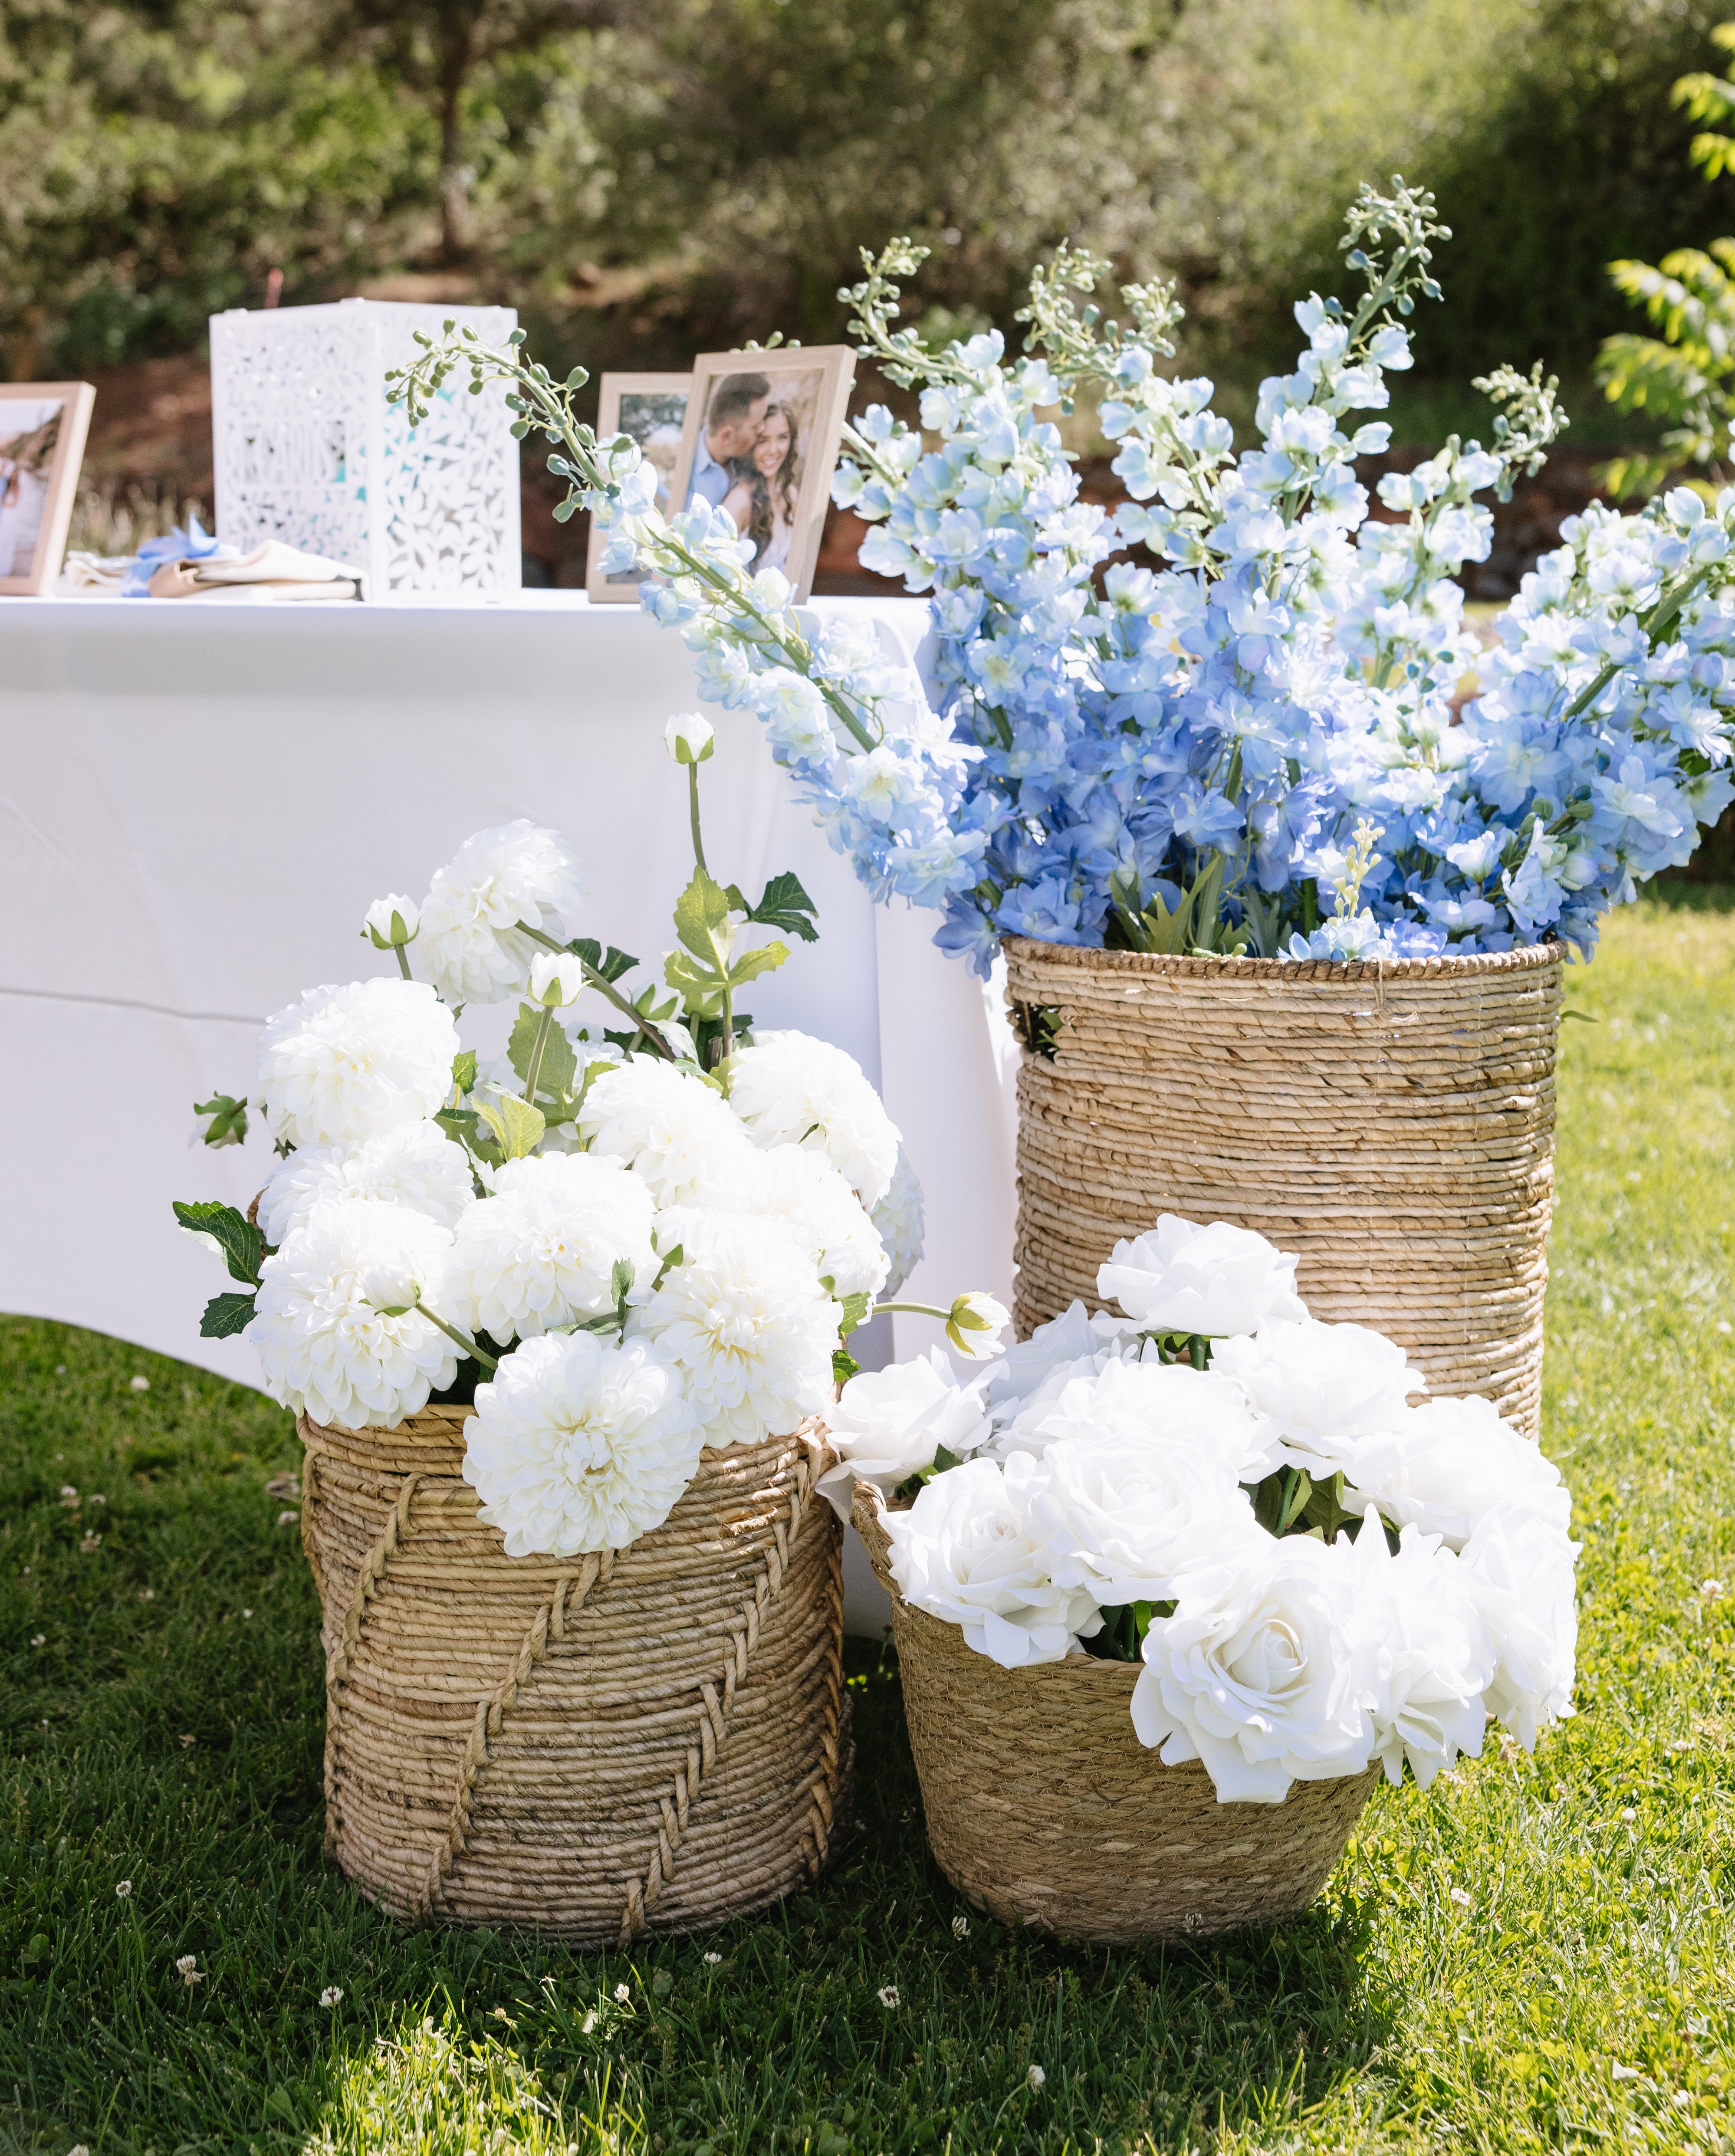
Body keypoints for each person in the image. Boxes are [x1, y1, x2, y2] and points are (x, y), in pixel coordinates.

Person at [722, 400, 799, 574]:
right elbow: (711, 575)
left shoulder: (791, 496)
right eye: (763, 441)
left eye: (782, 438)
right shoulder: (740, 500)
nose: (773, 450)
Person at [686, 373, 770, 510]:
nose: (763, 428)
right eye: (756, 426)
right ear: (726, 436)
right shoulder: (686, 479)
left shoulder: (754, 456)